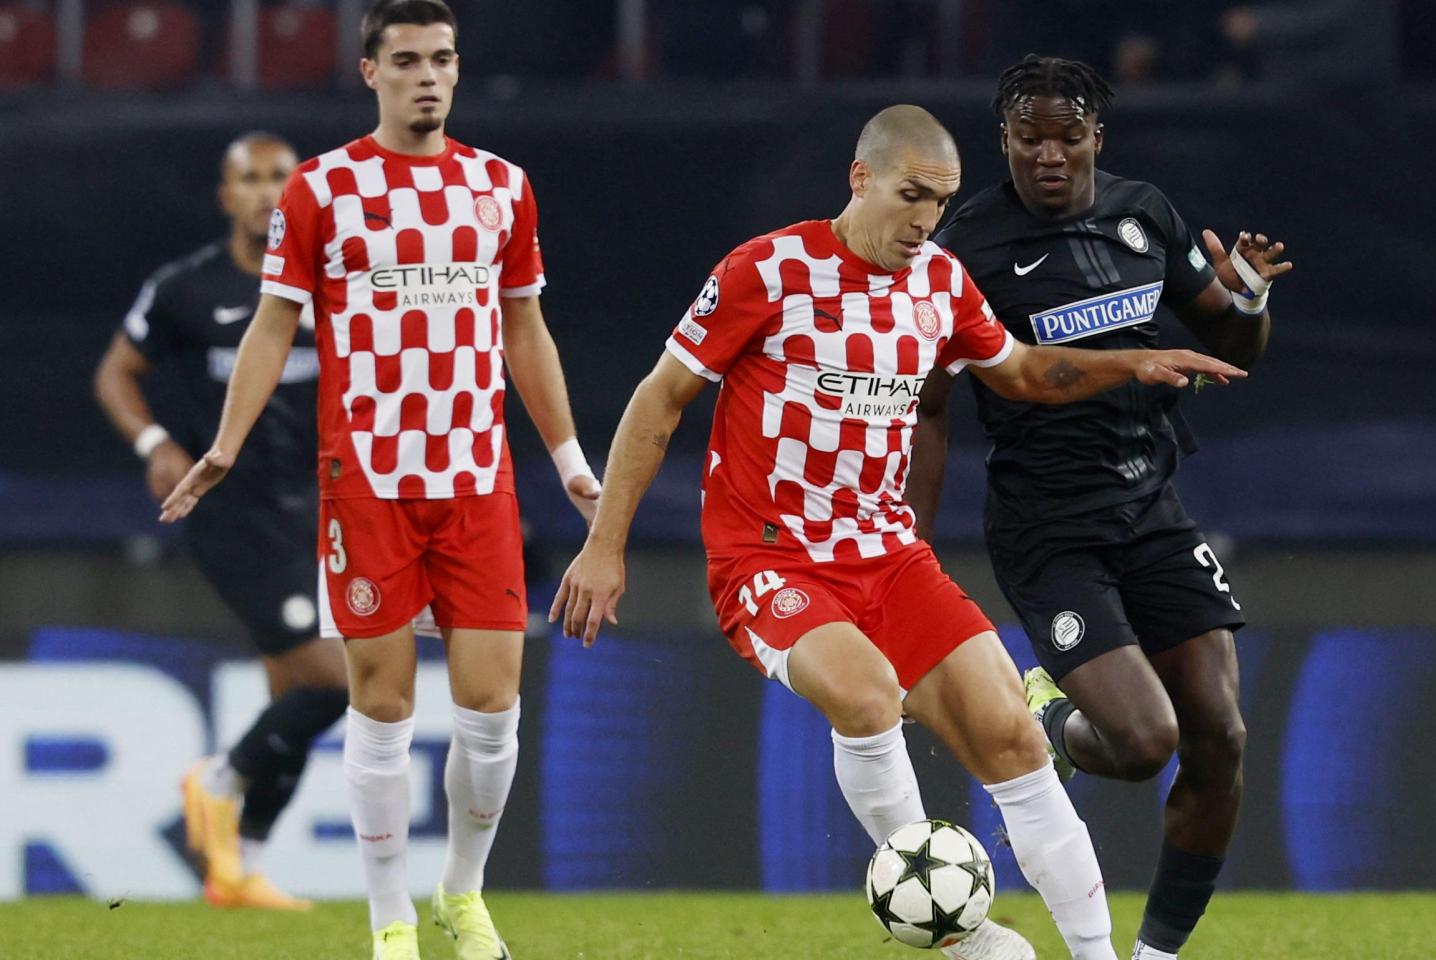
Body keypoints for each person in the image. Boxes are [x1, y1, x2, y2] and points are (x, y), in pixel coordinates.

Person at [552, 103, 1245, 960]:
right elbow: (659, 398)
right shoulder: (767, 272)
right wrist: (605, 544)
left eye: (942, 202)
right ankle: (955, 935)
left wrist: (1129, 361)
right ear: (861, 178)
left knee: (1016, 738)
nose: (925, 220)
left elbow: (1021, 370)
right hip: (769, 555)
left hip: (886, 552)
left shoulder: (942, 282)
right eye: (911, 195)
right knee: (869, 691)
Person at [160, 3, 601, 958]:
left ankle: (461, 891)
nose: (428, 77)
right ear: (370, 72)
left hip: (476, 480)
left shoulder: (502, 188)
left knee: (492, 708)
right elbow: (275, 324)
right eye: (406, 61)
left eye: (442, 59)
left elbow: (524, 327)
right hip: (366, 483)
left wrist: (568, 458)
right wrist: (227, 443)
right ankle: (389, 919)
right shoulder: (322, 190)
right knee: (385, 707)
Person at [913, 55, 1293, 960]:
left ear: (1097, 139)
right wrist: (909, 541)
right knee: (1141, 741)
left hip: (1152, 504)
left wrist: (1249, 294)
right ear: (1002, 141)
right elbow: (928, 407)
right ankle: (1055, 721)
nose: (1049, 155)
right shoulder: (965, 248)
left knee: (1221, 740)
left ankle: (1155, 957)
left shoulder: (1141, 215)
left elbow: (1233, 341)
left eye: (1068, 136)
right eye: (1028, 138)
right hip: (1049, 526)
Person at [93, 132, 344, 912]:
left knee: (290, 703)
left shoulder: (335, 285)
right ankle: (218, 780)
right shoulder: (186, 290)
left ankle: (239, 869)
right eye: (251, 179)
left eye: (282, 178)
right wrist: (154, 441)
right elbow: (115, 374)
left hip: (322, 509)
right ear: (226, 196)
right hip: (234, 515)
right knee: (334, 684)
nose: (269, 192)